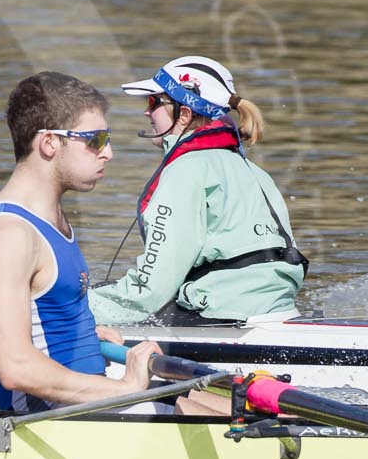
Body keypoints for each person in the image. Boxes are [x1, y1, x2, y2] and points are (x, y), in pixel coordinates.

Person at [0, 70, 169, 413]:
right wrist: (128, 387)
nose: (108, 153)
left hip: (86, 409)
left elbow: (47, 313)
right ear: (49, 143)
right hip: (52, 420)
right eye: (95, 140)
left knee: (215, 401)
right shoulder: (9, 236)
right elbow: (16, 368)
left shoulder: (49, 219)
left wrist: (82, 334)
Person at [87, 54, 305, 327]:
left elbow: (151, 289)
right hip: (279, 310)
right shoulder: (254, 170)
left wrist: (75, 311)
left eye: (154, 101)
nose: (146, 111)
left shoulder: (186, 171)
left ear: (185, 114)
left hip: (224, 316)